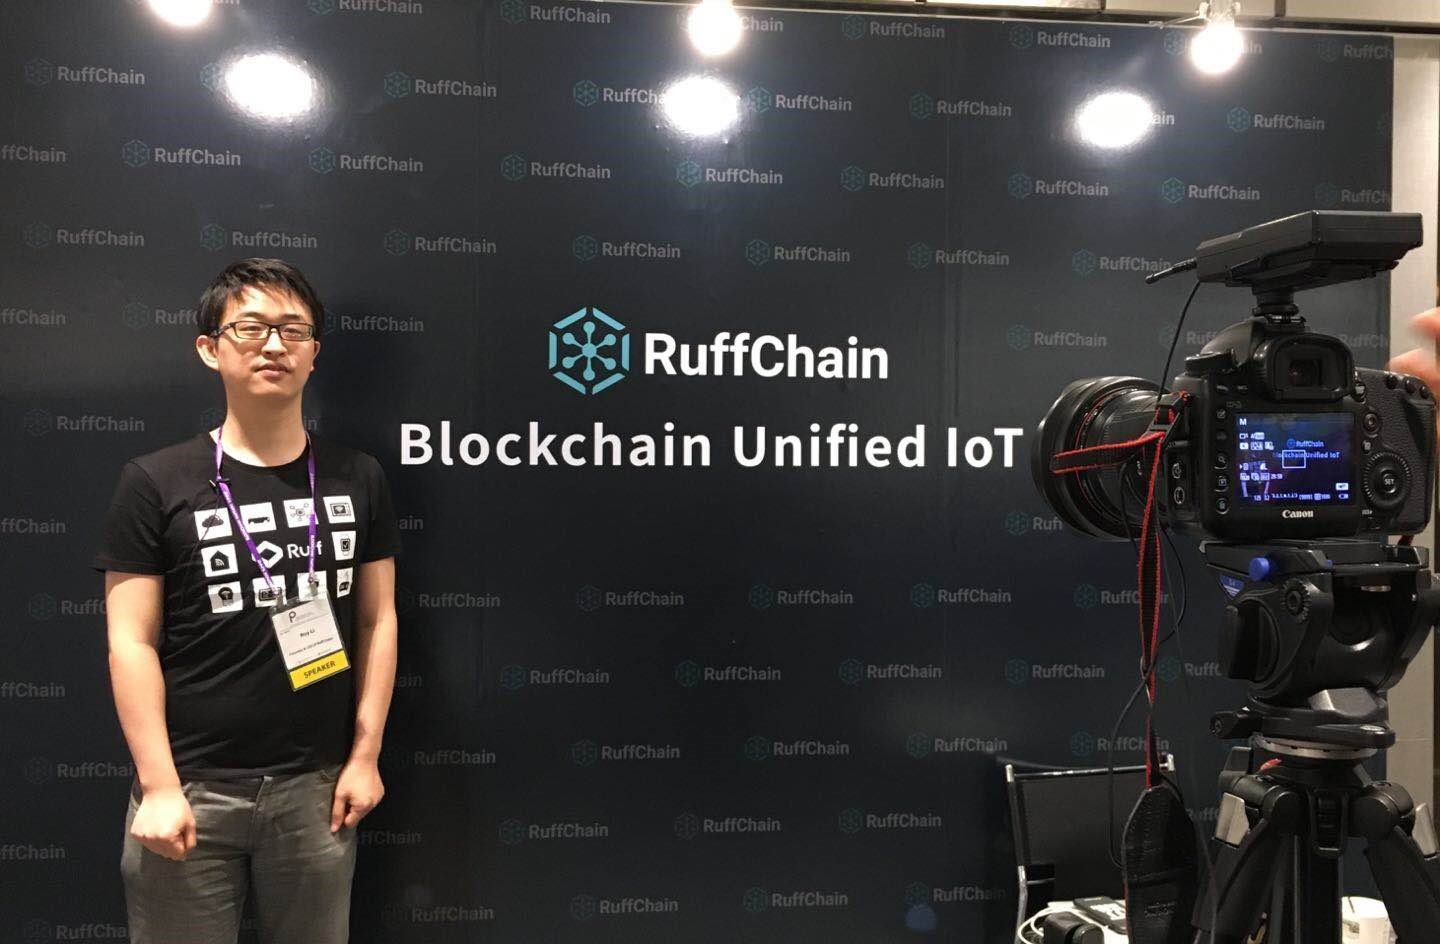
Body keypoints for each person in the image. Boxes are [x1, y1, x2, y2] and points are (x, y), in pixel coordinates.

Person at [94, 258, 401, 944]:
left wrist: (365, 755)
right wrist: (159, 785)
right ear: (210, 348)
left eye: (293, 330)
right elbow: (129, 641)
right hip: (192, 788)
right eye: (251, 327)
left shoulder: (359, 476)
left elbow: (377, 619)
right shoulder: (155, 481)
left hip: (317, 790)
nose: (273, 345)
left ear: (315, 352)